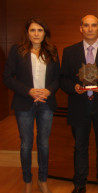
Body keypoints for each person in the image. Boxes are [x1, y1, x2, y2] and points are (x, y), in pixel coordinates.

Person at [60, 15, 98, 193]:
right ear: (81, 28)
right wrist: (73, 87)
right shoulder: (69, 52)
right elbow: (63, 79)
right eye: (86, 25)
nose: (90, 29)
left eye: (93, 25)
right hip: (79, 106)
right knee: (80, 147)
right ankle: (79, 184)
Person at [3, 17, 60, 193]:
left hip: (46, 103)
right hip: (24, 103)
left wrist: (49, 91)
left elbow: (58, 78)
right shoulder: (17, 50)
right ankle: (27, 180)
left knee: (43, 144)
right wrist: (28, 90)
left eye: (40, 30)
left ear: (45, 33)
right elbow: (7, 77)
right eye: (33, 30)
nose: (36, 34)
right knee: (26, 144)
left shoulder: (52, 51)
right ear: (27, 33)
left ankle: (43, 180)